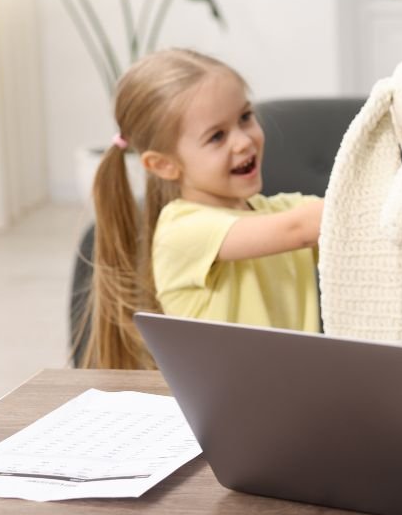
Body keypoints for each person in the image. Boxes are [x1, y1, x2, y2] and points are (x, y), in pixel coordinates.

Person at [82, 49, 324, 370]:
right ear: (164, 165)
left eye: (245, 117)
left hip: (292, 400)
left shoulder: (279, 211)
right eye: (217, 136)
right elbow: (303, 228)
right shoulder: (182, 230)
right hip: (227, 411)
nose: (243, 142)